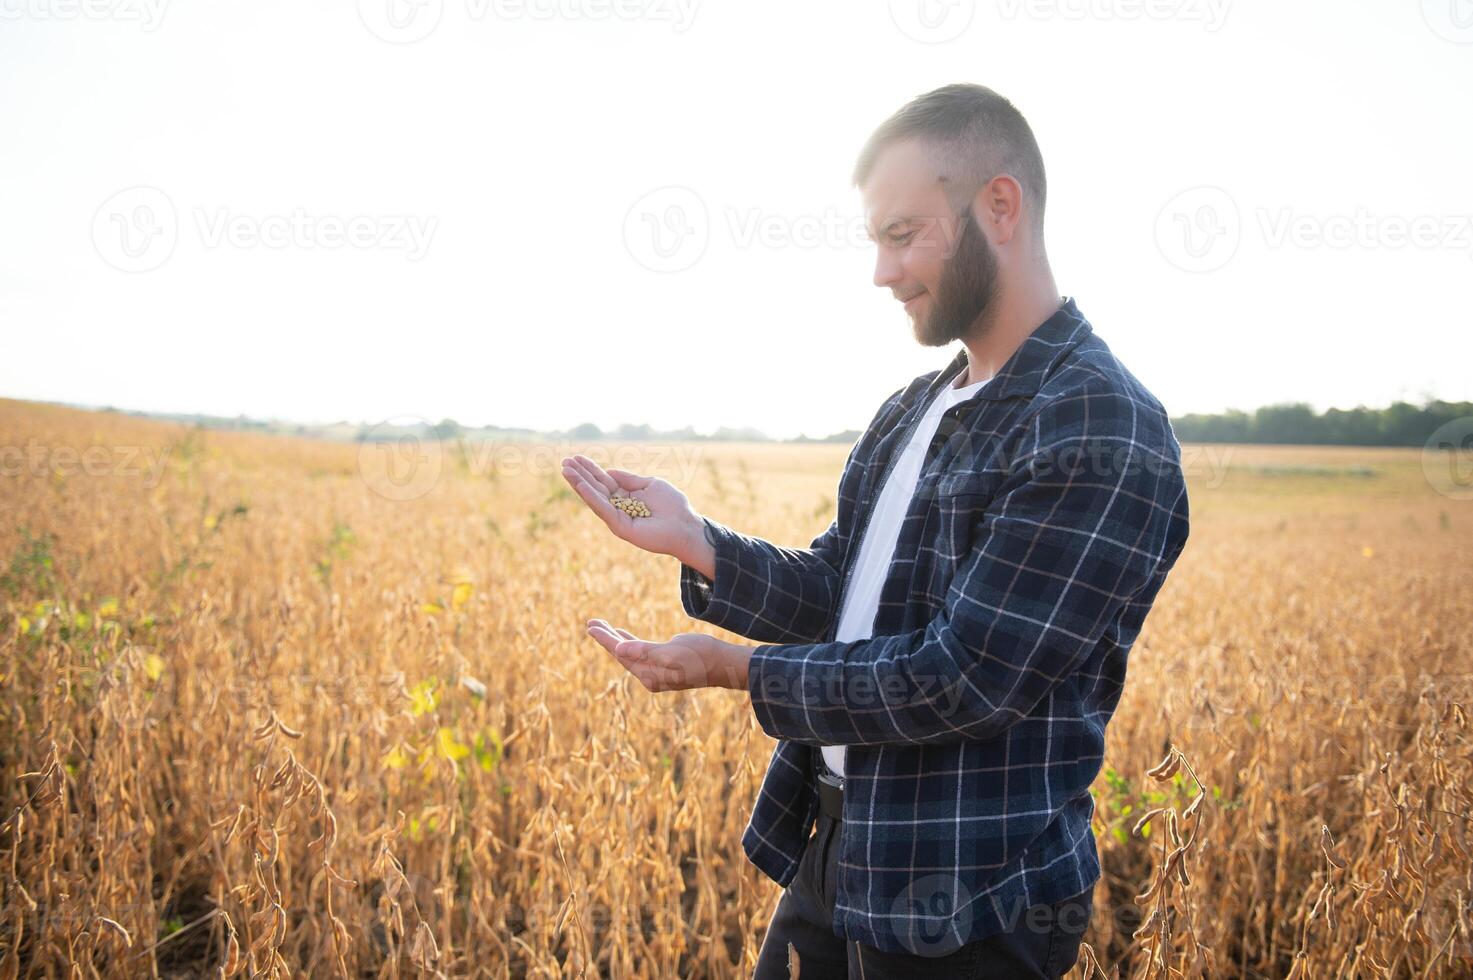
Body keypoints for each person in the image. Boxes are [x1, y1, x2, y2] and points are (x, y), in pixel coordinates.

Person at [561, 83, 1190, 979]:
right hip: (842, 846)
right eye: (877, 241)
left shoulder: (1097, 426)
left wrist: (732, 668)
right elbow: (838, 589)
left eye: (903, 235)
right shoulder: (918, 404)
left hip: (968, 898)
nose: (882, 273)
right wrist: (699, 540)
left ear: (998, 207)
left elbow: (961, 678)